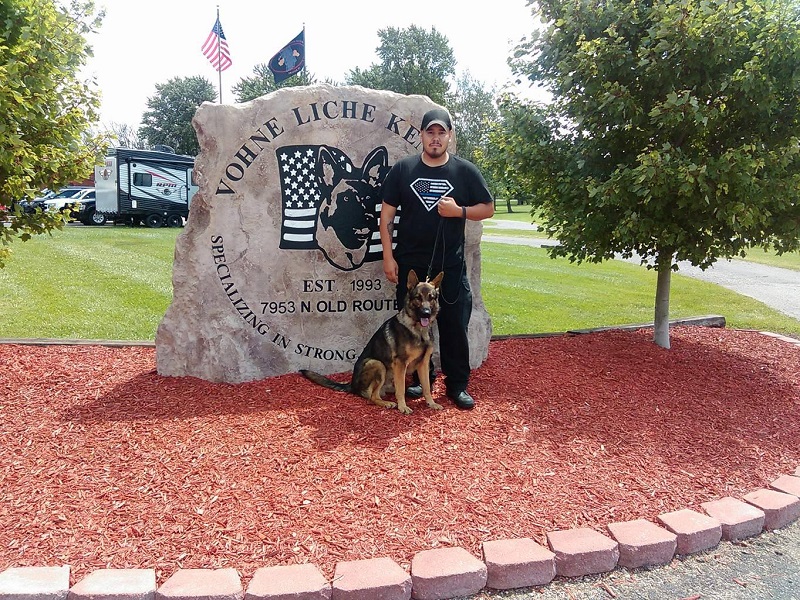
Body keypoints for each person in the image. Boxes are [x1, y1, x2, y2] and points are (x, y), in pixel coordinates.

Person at [379, 107, 494, 410]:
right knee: (413, 328)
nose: (435, 138)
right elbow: (386, 217)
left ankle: (457, 385)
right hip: (411, 267)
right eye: (430, 132)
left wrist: (459, 211)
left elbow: (488, 208)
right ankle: (422, 379)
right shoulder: (403, 170)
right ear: (421, 135)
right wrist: (388, 257)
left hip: (450, 267)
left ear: (449, 136)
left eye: (441, 132)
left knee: (454, 327)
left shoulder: (464, 171)